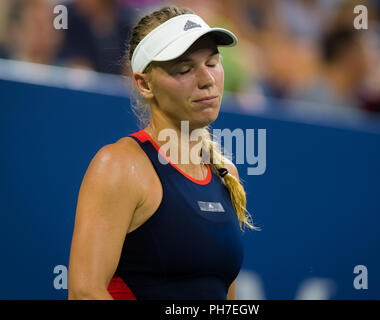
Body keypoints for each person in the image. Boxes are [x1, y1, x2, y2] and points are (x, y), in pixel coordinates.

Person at [68, 5, 259, 300]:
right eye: (184, 69)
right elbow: (84, 292)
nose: (207, 79)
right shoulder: (119, 166)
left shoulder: (225, 174)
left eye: (212, 62)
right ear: (145, 84)